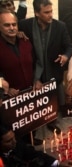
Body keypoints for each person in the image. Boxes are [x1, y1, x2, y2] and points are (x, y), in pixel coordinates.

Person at [18, 0, 72, 134]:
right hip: (34, 71)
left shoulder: (60, 26)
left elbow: (69, 46)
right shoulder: (24, 25)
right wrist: (18, 33)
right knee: (35, 101)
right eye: (46, 12)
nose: (50, 15)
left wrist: (65, 56)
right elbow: (12, 31)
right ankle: (35, 125)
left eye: (51, 11)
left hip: (53, 69)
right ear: (37, 13)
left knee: (54, 99)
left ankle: (52, 121)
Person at [0, 9, 43, 145]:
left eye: (14, 24)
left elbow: (36, 62)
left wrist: (37, 79)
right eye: (7, 25)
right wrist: (6, 88)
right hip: (11, 97)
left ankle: (31, 139)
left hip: (30, 92)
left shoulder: (26, 41)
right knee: (15, 127)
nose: (12, 28)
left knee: (31, 120)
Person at [0, 124, 72, 167]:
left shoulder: (18, 144)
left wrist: (56, 164)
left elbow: (34, 154)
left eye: (14, 137)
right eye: (8, 141)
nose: (14, 142)